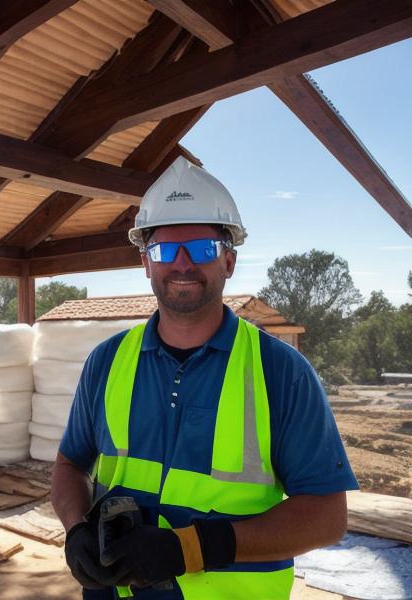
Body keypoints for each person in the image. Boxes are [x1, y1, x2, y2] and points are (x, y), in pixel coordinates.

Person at [52, 157, 357, 599]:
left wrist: (191, 549)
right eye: (163, 250)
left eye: (201, 249)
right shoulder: (106, 361)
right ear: (145, 262)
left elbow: (328, 516)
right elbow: (69, 465)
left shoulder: (281, 372)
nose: (180, 264)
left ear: (228, 261)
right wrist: (76, 528)